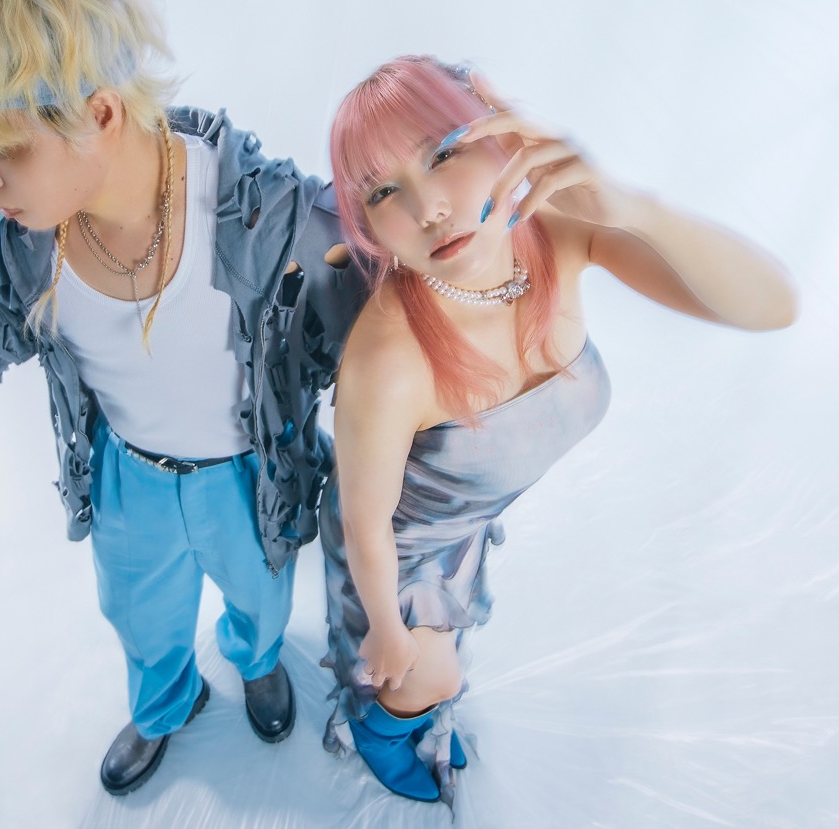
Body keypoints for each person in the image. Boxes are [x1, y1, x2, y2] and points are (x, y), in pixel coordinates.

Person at [0, 0, 365, 796]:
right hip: (130, 479)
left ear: (99, 113)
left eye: (2, 146)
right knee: (139, 613)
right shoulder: (24, 234)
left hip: (245, 474)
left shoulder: (255, 207)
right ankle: (165, 703)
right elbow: (3, 329)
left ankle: (258, 659)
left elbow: (365, 301)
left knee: (261, 592)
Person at [318, 55, 798, 805]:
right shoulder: (389, 358)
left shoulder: (559, 235)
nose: (429, 207)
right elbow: (364, 523)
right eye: (383, 192)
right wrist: (385, 625)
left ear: (499, 136)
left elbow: (774, 306)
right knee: (426, 673)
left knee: (440, 656)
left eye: (442, 153)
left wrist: (633, 207)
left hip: (468, 520)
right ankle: (377, 727)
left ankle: (414, 701)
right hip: (397, 546)